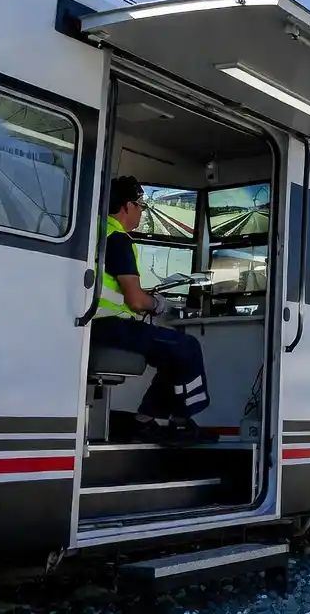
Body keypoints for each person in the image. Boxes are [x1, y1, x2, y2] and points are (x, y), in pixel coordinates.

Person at [92, 176, 217, 445]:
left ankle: (145, 421)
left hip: (96, 326)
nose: (141, 212)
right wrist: (158, 303)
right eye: (140, 205)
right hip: (112, 327)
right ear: (127, 206)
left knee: (172, 352)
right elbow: (136, 301)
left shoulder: (97, 232)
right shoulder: (117, 239)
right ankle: (181, 423)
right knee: (187, 347)